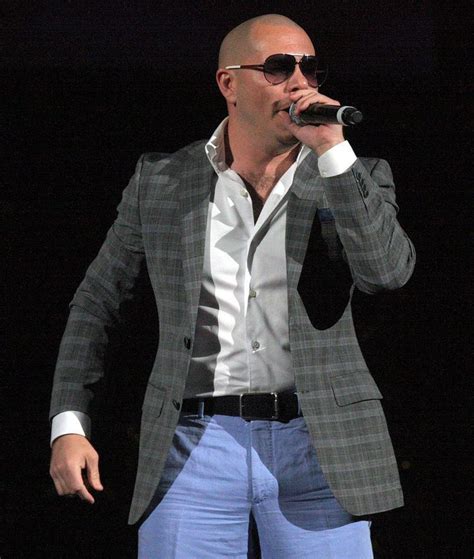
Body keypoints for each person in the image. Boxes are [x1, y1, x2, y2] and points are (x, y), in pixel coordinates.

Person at [49, 14, 415, 558]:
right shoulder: (162, 181)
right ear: (229, 83)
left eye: (310, 68)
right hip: (193, 446)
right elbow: (98, 302)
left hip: (320, 447)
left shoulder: (351, 175)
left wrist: (333, 151)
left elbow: (386, 272)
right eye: (278, 68)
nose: (300, 83)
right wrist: (69, 423)